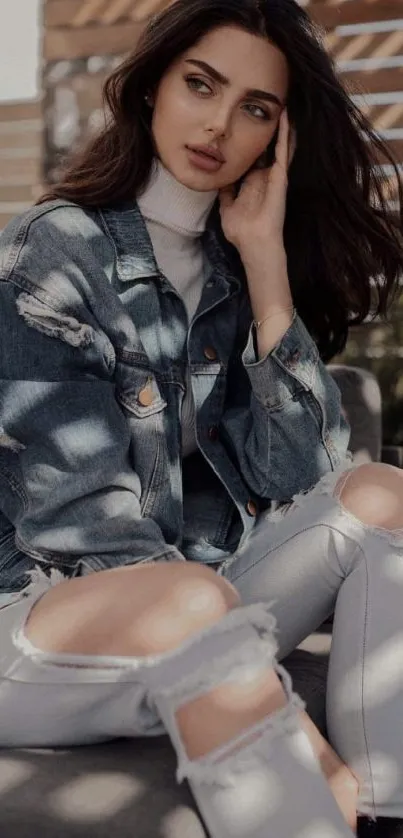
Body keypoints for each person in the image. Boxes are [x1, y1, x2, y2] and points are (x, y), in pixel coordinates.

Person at [0, 0, 402, 835]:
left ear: (277, 137)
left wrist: (263, 265)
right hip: (40, 615)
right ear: (151, 88)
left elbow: (301, 476)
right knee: (189, 599)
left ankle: (383, 811)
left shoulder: (230, 258)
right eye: (199, 84)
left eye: (255, 107)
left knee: (380, 494)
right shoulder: (55, 247)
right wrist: (295, 726)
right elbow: (86, 535)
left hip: (198, 602)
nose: (218, 124)